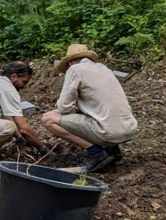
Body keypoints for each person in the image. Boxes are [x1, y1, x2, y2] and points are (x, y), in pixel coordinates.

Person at [41, 44, 137, 172]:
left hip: (107, 132)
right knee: (98, 111)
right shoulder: (104, 69)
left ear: (70, 62)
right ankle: (112, 149)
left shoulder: (75, 70)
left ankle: (97, 153)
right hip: (129, 128)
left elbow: (64, 107)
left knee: (49, 119)